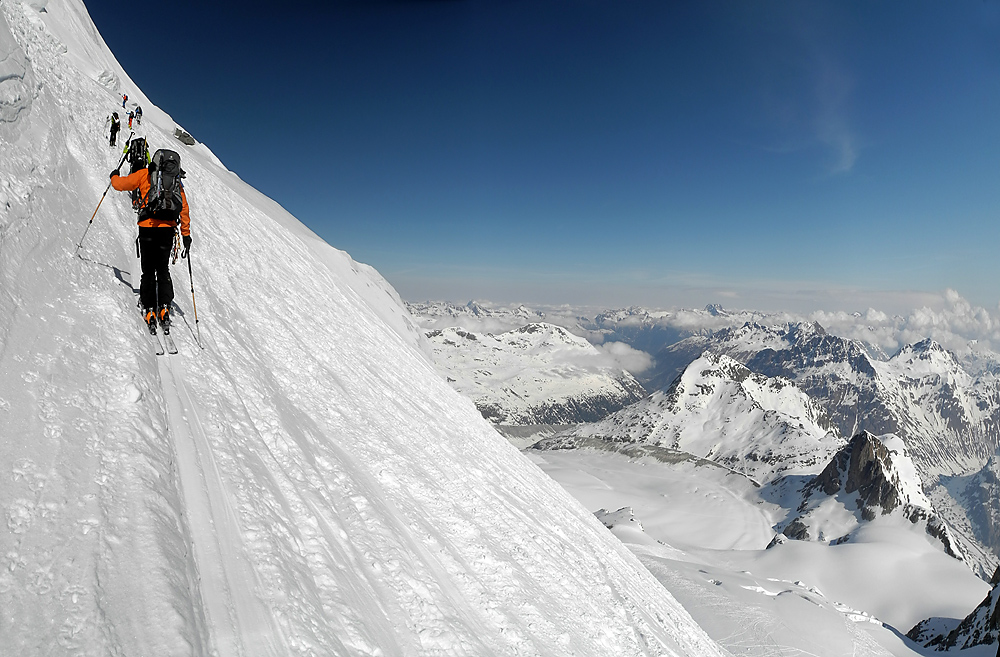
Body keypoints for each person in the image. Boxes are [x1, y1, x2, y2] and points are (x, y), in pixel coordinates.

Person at [110, 150, 192, 333]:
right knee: (162, 267)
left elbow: (120, 185)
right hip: (168, 229)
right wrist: (186, 234)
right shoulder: (174, 182)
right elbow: (184, 208)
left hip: (147, 226)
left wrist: (114, 176)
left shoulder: (145, 175)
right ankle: (164, 304)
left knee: (148, 268)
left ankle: (148, 307)